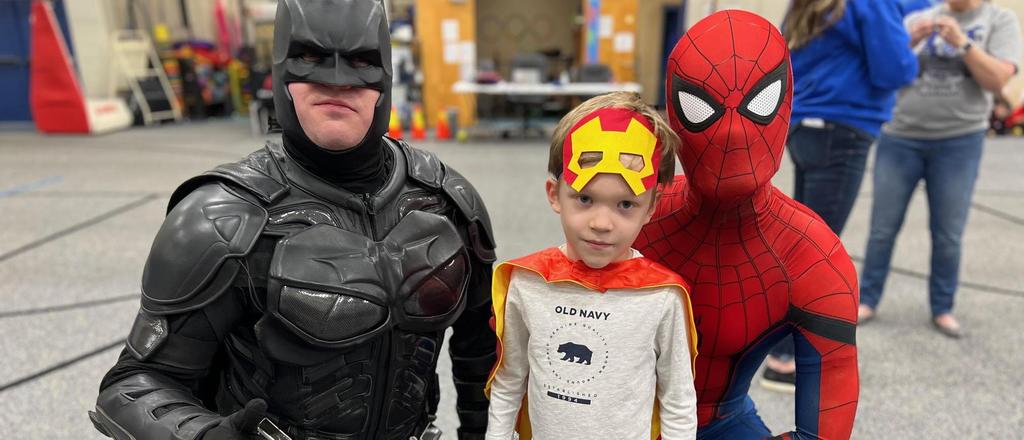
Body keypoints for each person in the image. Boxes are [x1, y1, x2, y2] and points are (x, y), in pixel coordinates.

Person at [88, 1, 498, 439]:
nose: (337, 81)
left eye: (361, 61)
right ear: (281, 73)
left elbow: (482, 356)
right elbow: (132, 386)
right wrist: (202, 434)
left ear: (386, 77)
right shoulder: (221, 218)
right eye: (310, 57)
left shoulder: (446, 201)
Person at [636, 10, 859, 439]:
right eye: (700, 109)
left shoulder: (812, 257)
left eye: (758, 105)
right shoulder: (636, 215)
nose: (732, 134)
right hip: (620, 417)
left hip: (719, 418)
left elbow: (824, 431)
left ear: (784, 102)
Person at [484, 92, 698, 439]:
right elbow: (509, 382)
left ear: (651, 206)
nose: (601, 223)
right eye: (585, 199)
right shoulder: (527, 283)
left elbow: (678, 400)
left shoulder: (661, 297)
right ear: (554, 194)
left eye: (625, 204)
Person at [761, 0, 919, 393]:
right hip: (842, 129)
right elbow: (895, 70)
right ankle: (783, 359)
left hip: (806, 126)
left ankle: (777, 347)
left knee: (800, 246)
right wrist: (909, 42)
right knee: (815, 255)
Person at [858, 0, 1021, 338]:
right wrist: (909, 42)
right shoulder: (919, 18)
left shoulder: (999, 20)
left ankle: (942, 307)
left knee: (948, 233)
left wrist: (963, 43)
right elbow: (885, 71)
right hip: (900, 137)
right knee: (882, 229)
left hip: (959, 142)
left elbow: (997, 80)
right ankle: (867, 299)